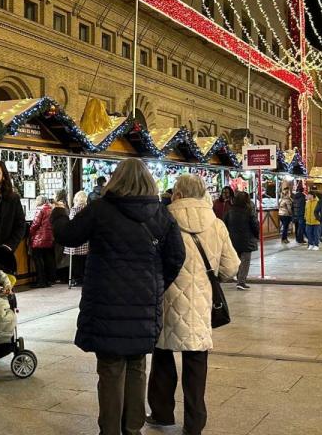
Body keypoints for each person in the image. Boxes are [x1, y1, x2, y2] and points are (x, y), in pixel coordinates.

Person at [50, 158, 184, 435]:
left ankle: (109, 431)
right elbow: (176, 256)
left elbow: (68, 235)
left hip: (106, 302)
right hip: (144, 303)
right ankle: (132, 429)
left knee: (110, 369)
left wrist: (58, 213)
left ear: (115, 180)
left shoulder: (100, 210)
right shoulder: (161, 214)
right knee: (136, 366)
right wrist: (157, 283)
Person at [147, 174, 239, 435]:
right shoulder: (217, 224)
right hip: (200, 302)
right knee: (196, 363)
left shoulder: (163, 220)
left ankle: (162, 413)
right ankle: (194, 423)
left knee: (163, 357)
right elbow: (231, 267)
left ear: (177, 194)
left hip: (166, 299)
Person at [224, 191, 259, 290]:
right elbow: (254, 224)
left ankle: (238, 278)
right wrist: (256, 235)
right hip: (247, 239)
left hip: (233, 239)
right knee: (245, 261)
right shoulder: (248, 211)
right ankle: (241, 281)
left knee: (237, 260)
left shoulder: (230, 211)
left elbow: (224, 224)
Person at [29, 194, 58, 288]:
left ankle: (41, 281)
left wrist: (30, 233)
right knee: (48, 259)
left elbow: (35, 224)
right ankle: (49, 280)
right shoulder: (52, 209)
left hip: (40, 238)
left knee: (38, 259)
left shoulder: (40, 209)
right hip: (50, 238)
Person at [67, 190, 90, 286]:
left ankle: (77, 278)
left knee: (76, 260)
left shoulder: (74, 209)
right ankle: (83, 278)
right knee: (84, 260)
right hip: (86, 239)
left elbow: (71, 222)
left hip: (76, 237)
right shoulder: (88, 209)